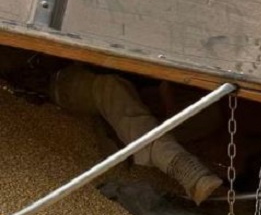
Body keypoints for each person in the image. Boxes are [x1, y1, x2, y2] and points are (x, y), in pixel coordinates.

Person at [2, 55, 223, 204]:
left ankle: (133, 135)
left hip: (130, 83)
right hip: (63, 76)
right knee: (110, 88)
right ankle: (178, 164)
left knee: (208, 114)